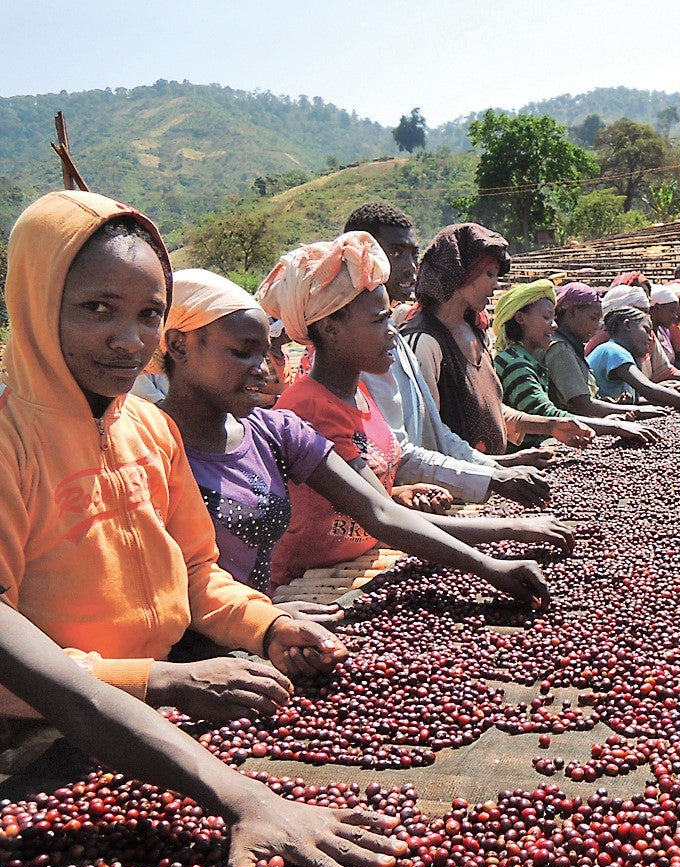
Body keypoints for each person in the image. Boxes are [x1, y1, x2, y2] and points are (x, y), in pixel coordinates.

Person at [0, 190, 347, 725]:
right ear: (36, 301)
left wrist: (266, 625)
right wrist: (153, 681)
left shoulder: (152, 430)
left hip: (151, 709)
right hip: (35, 733)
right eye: (97, 309)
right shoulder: (10, 443)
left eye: (149, 314)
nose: (130, 341)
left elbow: (195, 573)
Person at [0, 602, 406, 867]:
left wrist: (263, 625)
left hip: (137, 693)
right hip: (39, 723)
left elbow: (192, 566)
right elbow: (67, 694)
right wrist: (250, 799)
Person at [256, 233, 567, 599]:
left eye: (389, 318)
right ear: (331, 330)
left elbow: (365, 490)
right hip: (310, 588)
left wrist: (398, 490)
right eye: (377, 321)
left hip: (359, 569)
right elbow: (381, 515)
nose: (392, 332)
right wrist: (506, 538)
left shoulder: (362, 392)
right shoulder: (309, 408)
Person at [344, 203, 552, 508]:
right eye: (396, 253)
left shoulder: (396, 342)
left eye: (414, 254)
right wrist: (492, 476)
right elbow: (401, 454)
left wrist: (499, 466)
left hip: (433, 499)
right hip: (412, 505)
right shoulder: (408, 342)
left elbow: (435, 433)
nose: (410, 267)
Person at [403, 223, 595, 454]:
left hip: (490, 479)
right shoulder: (425, 341)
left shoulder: (476, 332)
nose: (496, 284)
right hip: (456, 486)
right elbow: (429, 438)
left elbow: (491, 410)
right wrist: (502, 468)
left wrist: (550, 426)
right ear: (462, 273)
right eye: (489, 274)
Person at [491, 280, 662, 448]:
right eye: (546, 318)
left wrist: (604, 420)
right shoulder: (516, 363)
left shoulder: (527, 358)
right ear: (520, 318)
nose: (554, 325)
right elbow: (546, 414)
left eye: (553, 318)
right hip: (523, 450)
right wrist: (613, 426)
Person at [545, 283, 667, 421]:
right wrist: (637, 410)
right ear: (572, 312)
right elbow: (583, 405)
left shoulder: (572, 347)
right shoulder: (560, 349)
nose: (597, 325)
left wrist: (611, 403)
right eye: (593, 317)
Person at [587, 297, 680, 416]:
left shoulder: (622, 353)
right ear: (627, 325)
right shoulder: (613, 351)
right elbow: (648, 389)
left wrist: (662, 401)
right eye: (646, 331)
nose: (650, 338)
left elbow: (637, 398)